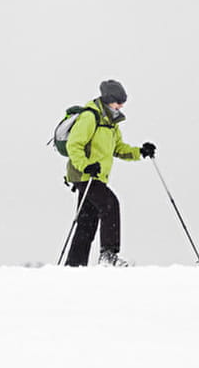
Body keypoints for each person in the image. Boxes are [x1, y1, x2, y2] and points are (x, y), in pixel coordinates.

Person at [63, 79, 156, 267]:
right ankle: (108, 255)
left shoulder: (111, 123)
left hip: (97, 177)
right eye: (118, 101)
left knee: (86, 223)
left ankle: (73, 266)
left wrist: (140, 152)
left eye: (123, 102)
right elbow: (74, 144)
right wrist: (86, 165)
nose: (121, 106)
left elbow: (119, 148)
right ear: (108, 99)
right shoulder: (90, 117)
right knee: (110, 204)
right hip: (85, 175)